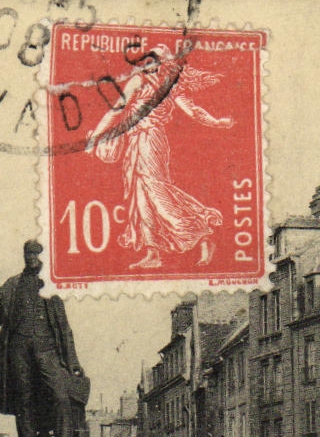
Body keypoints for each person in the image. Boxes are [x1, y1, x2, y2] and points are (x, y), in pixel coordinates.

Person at [85, 45, 232, 269]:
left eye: (153, 60)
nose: (148, 64)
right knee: (140, 196)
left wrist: (216, 122)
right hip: (134, 142)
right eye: (145, 60)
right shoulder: (136, 82)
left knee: (157, 192)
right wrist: (95, 136)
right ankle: (153, 253)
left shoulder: (170, 87)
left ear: (162, 63)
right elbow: (115, 110)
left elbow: (192, 110)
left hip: (152, 140)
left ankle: (201, 233)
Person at [0, 240, 92, 437]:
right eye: (28, 254)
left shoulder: (51, 285)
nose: (32, 258)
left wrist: (72, 361)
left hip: (47, 349)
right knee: (24, 403)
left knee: (61, 397)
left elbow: (64, 326)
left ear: (42, 257)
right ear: (24, 256)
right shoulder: (14, 283)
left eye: (36, 254)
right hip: (19, 348)